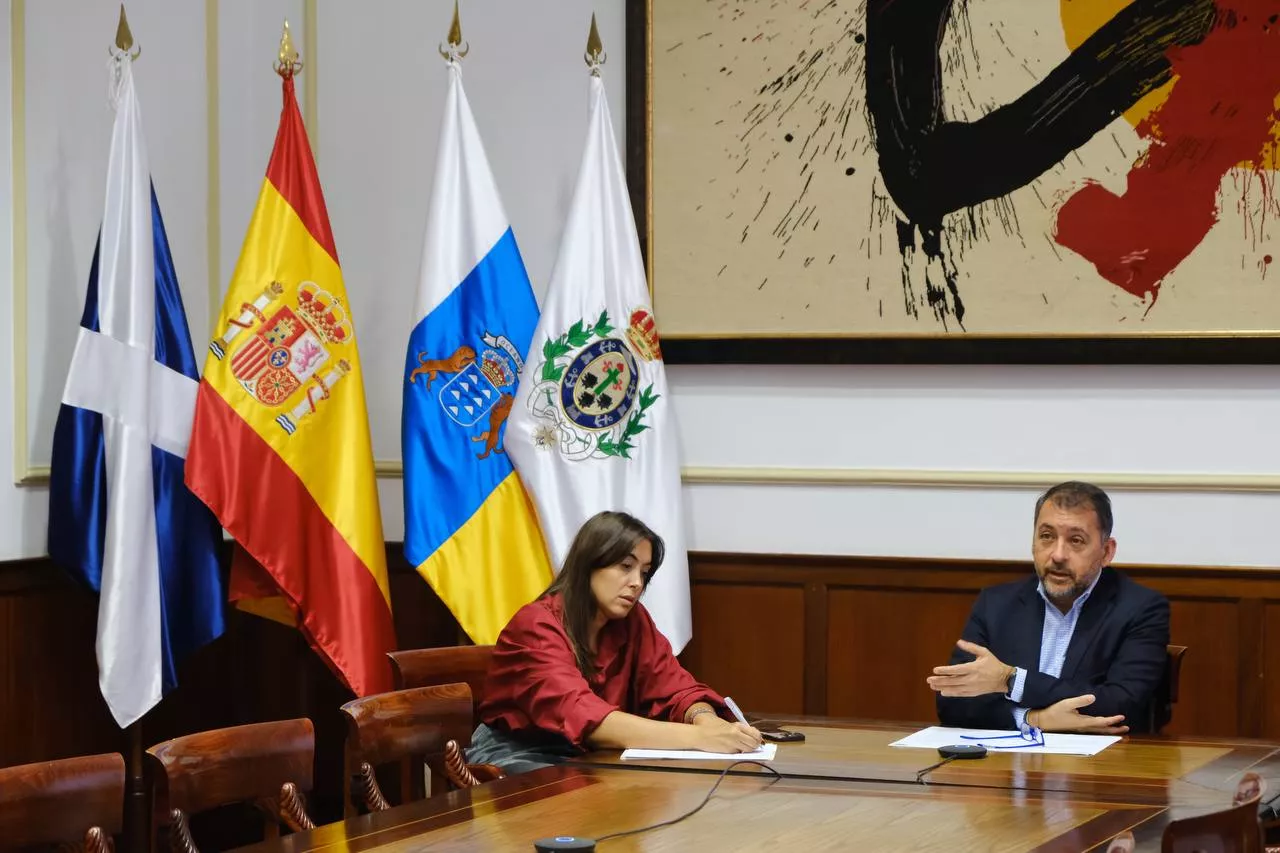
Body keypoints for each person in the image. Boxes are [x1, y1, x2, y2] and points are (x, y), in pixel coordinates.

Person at [467, 510, 763, 773]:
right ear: (589, 565)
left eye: (644, 573)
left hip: (590, 755)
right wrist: (700, 739)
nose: (637, 582)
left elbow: (676, 687)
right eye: (625, 566)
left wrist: (705, 720)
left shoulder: (633, 620)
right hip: (517, 755)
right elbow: (585, 717)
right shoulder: (535, 626)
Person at [929, 481, 1170, 735]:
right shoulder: (997, 604)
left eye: (1076, 541)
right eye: (1047, 536)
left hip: (1098, 767)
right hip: (1007, 767)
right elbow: (952, 702)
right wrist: (1035, 719)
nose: (1057, 555)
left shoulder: (1140, 608)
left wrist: (1011, 680)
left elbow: (1121, 703)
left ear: (1106, 552)